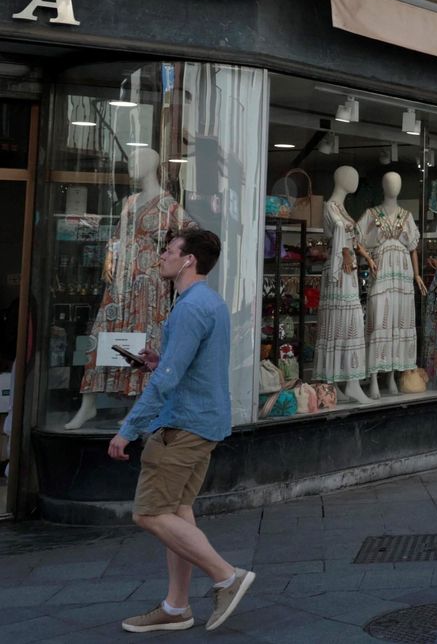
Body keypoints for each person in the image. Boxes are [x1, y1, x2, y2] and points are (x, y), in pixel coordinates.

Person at [109, 228, 256, 634]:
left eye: (170, 251)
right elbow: (185, 366)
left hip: (181, 425)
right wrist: (160, 360)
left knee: (149, 513)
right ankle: (176, 607)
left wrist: (128, 428)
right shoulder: (209, 302)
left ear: (188, 259)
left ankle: (227, 576)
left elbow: (167, 382)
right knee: (177, 511)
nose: (162, 257)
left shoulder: (190, 308)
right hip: (202, 422)